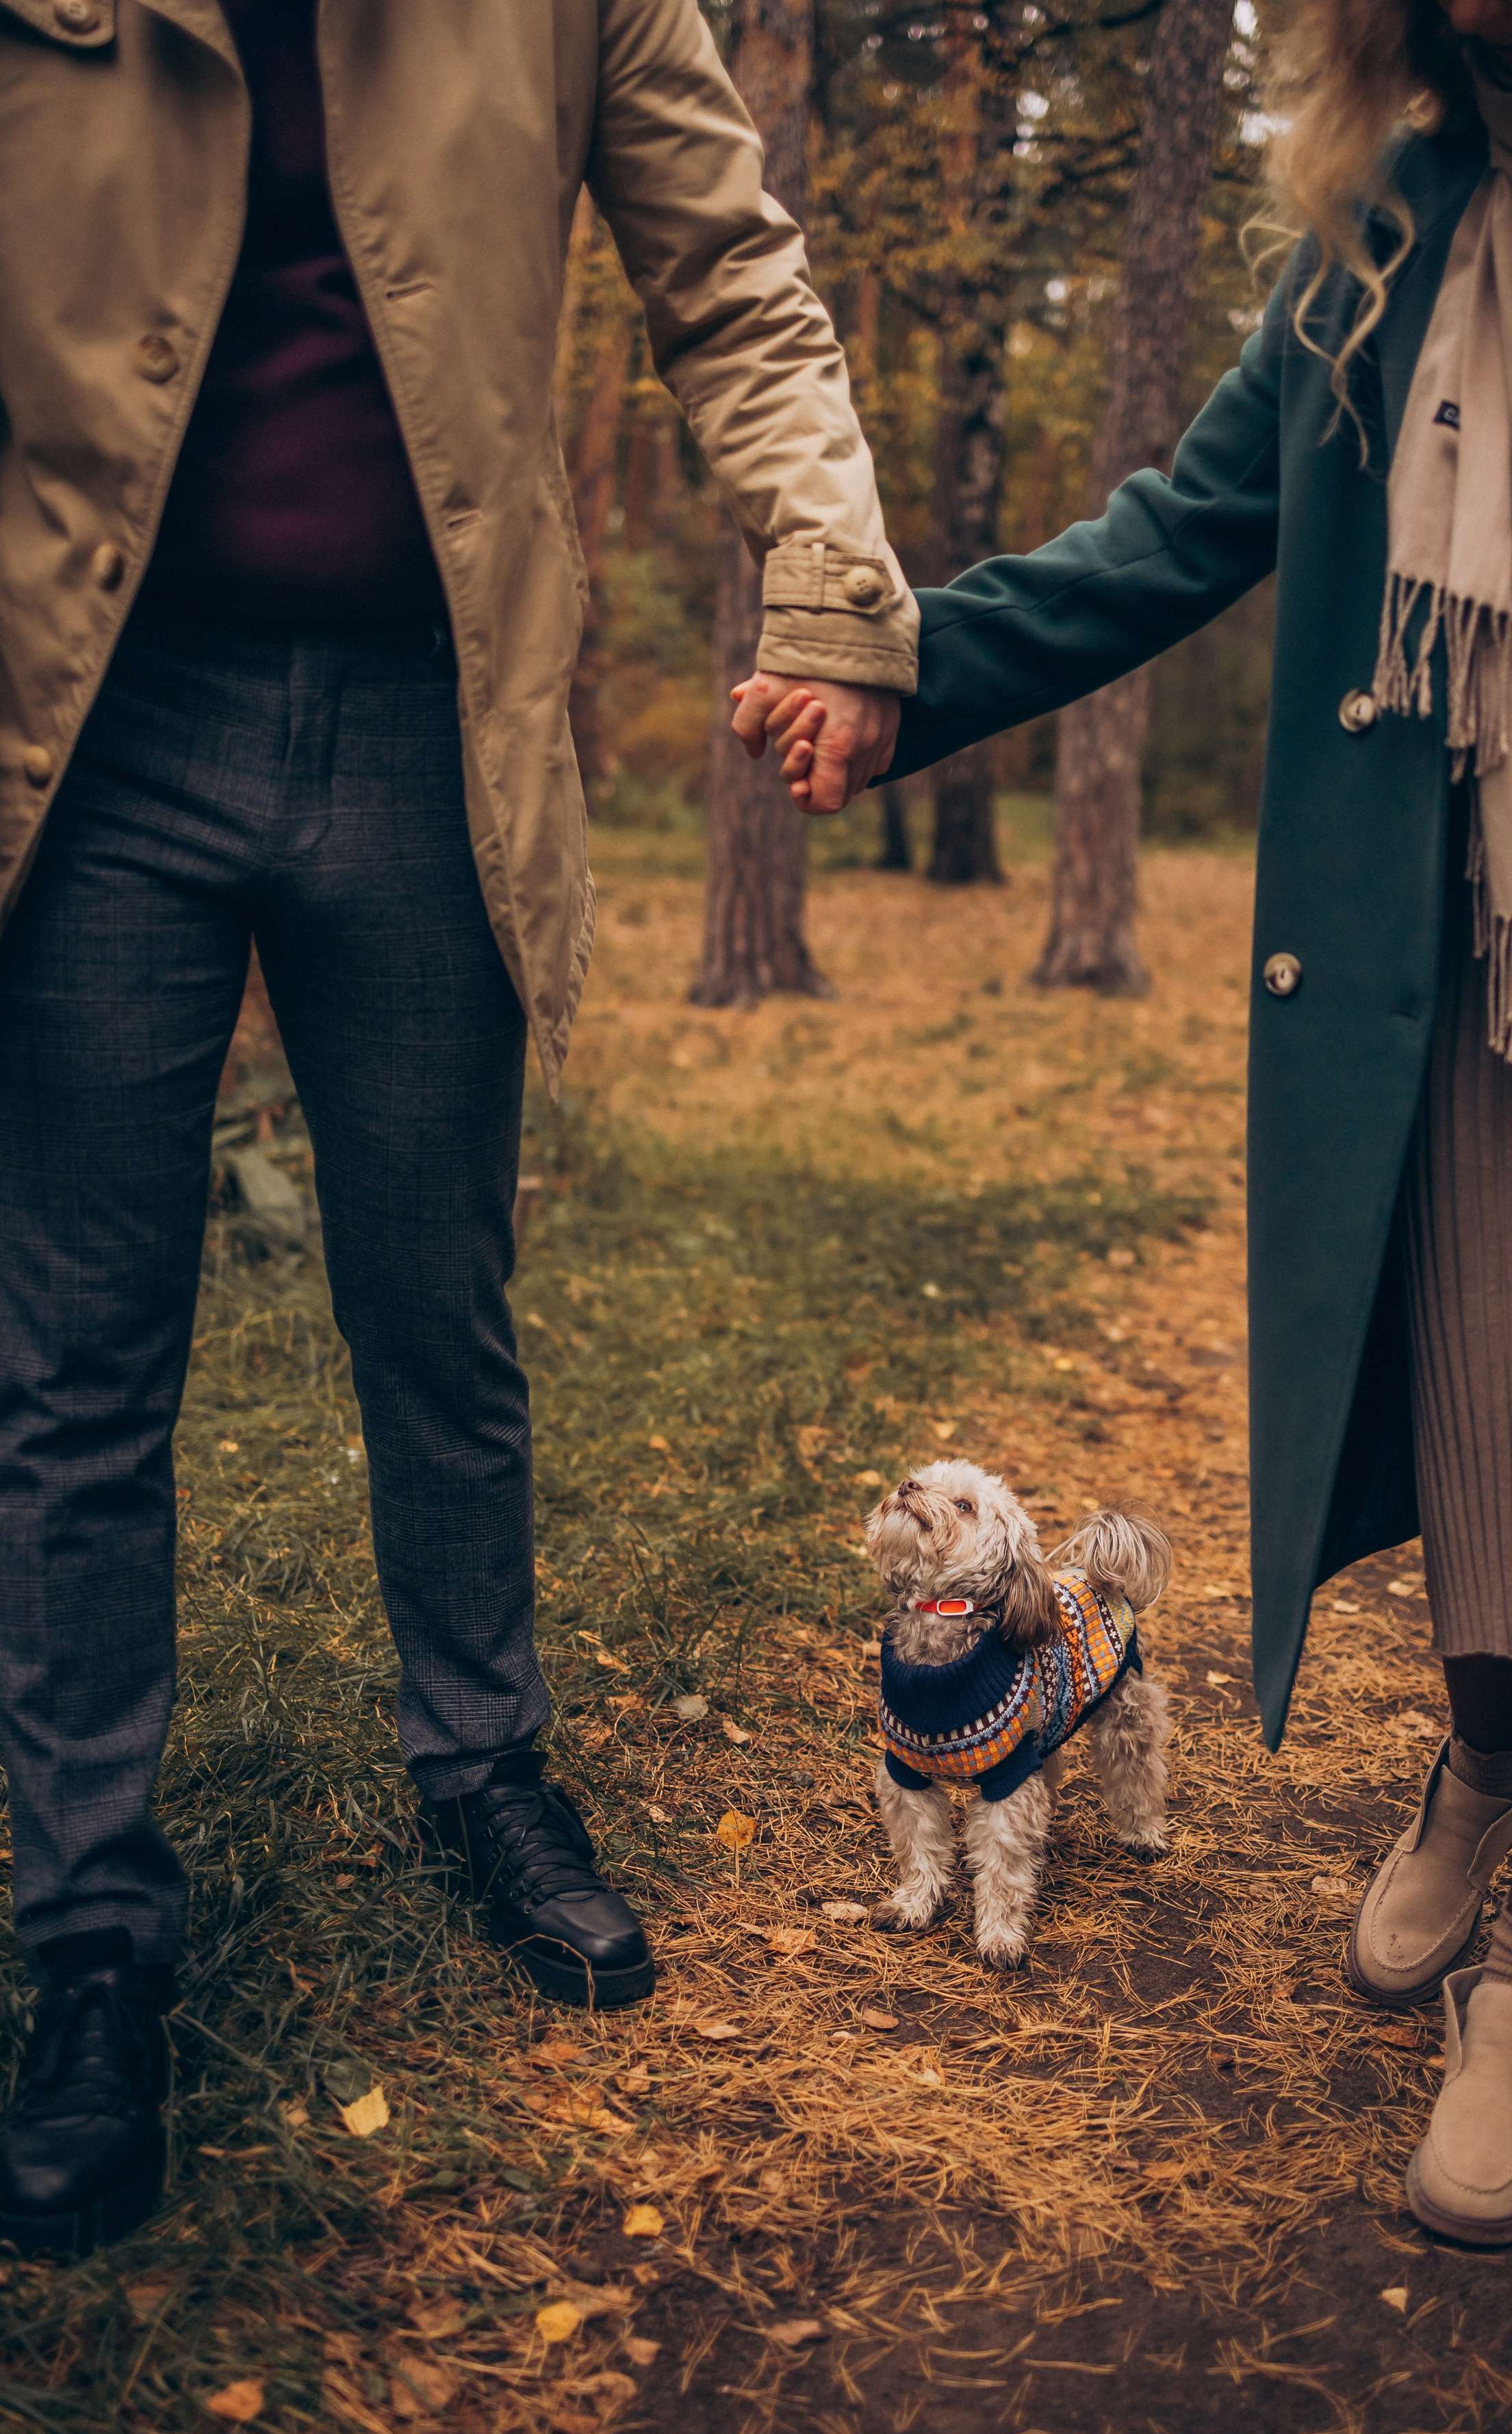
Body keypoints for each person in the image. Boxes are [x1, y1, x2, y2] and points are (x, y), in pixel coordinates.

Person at [743, 0, 1512, 2246]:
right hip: (1463, 991)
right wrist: (906, 668)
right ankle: (1474, 1770)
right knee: (1509, 1471)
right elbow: (1175, 534)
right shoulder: (1390, 236)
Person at [0, 0, 911, 2259]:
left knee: (439, 1305)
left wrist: (832, 573)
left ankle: (484, 1770)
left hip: (431, 727)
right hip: (97, 733)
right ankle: (94, 1932)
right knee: (80, 1363)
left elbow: (737, 278)